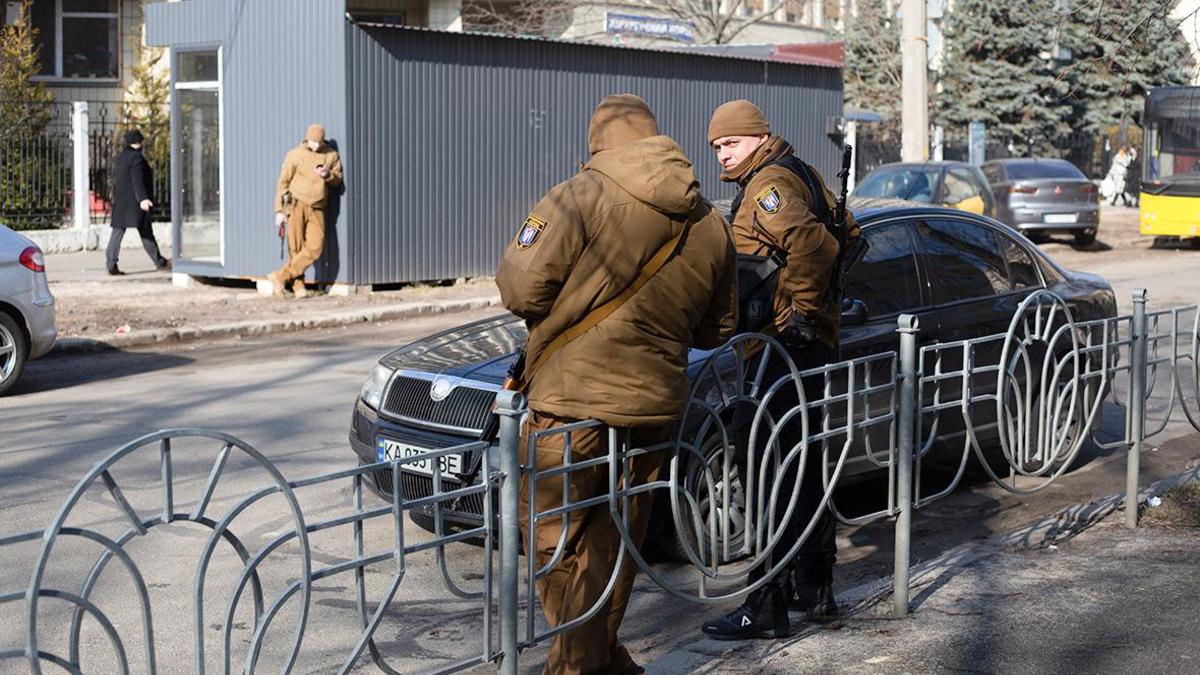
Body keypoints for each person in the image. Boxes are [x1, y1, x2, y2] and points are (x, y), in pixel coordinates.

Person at [496, 94, 737, 675]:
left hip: (569, 402)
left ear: (598, 142)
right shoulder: (708, 219)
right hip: (655, 406)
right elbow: (719, 326)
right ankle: (601, 660)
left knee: (551, 536)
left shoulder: (578, 195)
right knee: (612, 543)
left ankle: (577, 666)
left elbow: (520, 291)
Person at [700, 99, 859, 641]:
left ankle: (763, 605)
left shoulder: (768, 185)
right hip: (800, 349)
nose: (722, 153)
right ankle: (815, 589)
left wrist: (803, 317)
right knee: (801, 469)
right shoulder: (800, 171)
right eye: (717, 146)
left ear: (757, 136)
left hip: (783, 351)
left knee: (767, 472)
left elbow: (814, 245)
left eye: (731, 143)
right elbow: (850, 236)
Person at [267, 124, 343, 298]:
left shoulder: (331, 155)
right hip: (296, 204)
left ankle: (281, 276)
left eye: (319, 142)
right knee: (296, 246)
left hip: (317, 207)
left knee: (316, 246)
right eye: (313, 141)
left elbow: (338, 180)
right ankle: (299, 287)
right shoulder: (295, 155)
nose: (316, 145)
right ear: (307, 138)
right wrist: (279, 210)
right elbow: (283, 183)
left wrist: (328, 175)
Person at [107, 129, 169, 275]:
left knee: (117, 232)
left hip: (121, 201)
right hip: (135, 201)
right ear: (138, 142)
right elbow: (137, 179)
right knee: (146, 231)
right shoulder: (136, 158)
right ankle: (159, 261)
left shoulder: (121, 156)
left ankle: (111, 263)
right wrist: (143, 199)